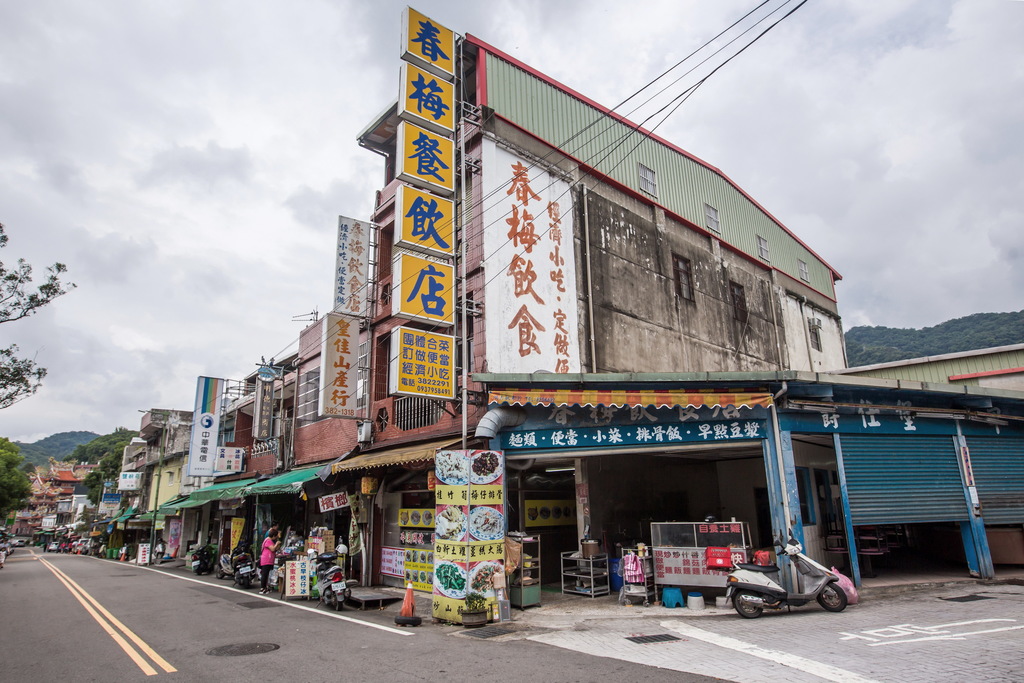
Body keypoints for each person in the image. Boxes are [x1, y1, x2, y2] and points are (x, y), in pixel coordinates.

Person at [259, 529, 281, 595]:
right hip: (266, 559)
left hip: (269, 559)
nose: (276, 538)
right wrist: (277, 543)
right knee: (264, 574)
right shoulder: (268, 540)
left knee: (267, 574)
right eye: (276, 536)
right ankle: (262, 588)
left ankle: (265, 587)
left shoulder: (270, 540)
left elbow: (276, 549)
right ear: (273, 536)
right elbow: (273, 549)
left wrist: (278, 543)